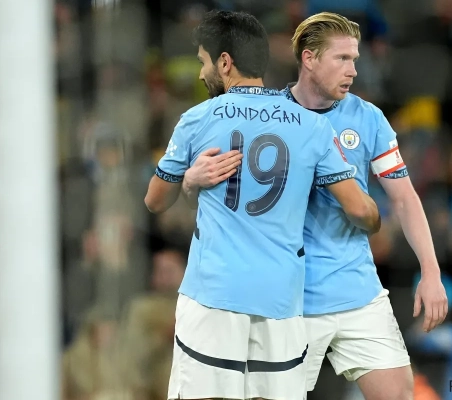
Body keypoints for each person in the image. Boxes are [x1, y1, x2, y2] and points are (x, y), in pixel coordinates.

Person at [182, 12, 449, 400]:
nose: (353, 70)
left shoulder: (368, 118)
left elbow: (405, 198)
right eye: (342, 58)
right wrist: (190, 179)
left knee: (398, 394)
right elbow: (225, 195)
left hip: (357, 290)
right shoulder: (268, 115)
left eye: (354, 59)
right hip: (291, 301)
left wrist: (431, 270)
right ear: (309, 59)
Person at [143, 10, 382, 400]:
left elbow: (154, 201)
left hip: (214, 296)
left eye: (204, 61)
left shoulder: (197, 119)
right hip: (280, 301)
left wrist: (189, 180)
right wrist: (374, 216)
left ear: (225, 62)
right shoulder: (312, 125)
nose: (201, 74)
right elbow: (360, 212)